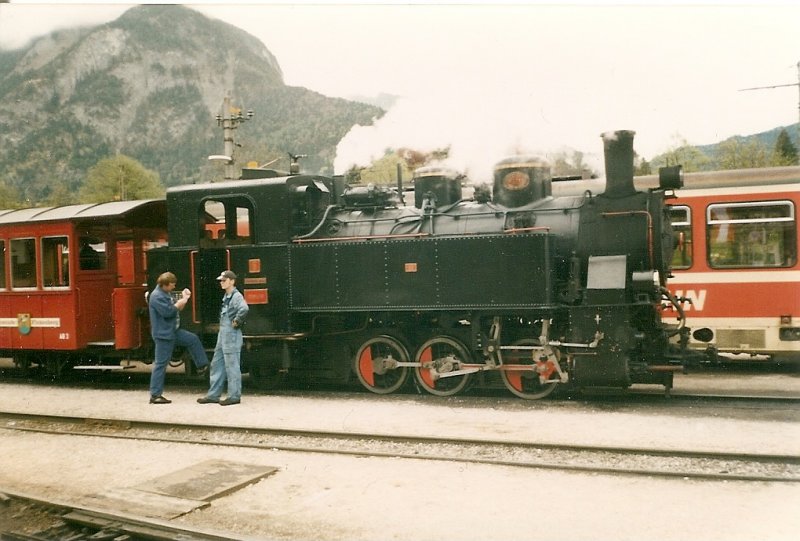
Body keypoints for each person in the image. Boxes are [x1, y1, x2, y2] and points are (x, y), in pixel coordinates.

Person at [148, 271, 209, 404]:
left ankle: (202, 366)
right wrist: (183, 300)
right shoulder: (157, 296)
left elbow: (176, 308)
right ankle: (155, 395)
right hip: (164, 335)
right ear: (164, 285)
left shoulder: (164, 293)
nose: (173, 287)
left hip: (172, 331)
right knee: (160, 364)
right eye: (172, 285)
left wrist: (184, 298)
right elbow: (168, 312)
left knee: (193, 339)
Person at [198, 270, 249, 406]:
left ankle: (234, 396)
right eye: (221, 280)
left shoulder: (236, 296)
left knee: (231, 366)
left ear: (232, 281)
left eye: (224, 280)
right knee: (217, 363)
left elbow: (244, 308)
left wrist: (237, 321)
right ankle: (213, 395)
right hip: (224, 335)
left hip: (231, 335)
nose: (221, 283)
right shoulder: (228, 296)